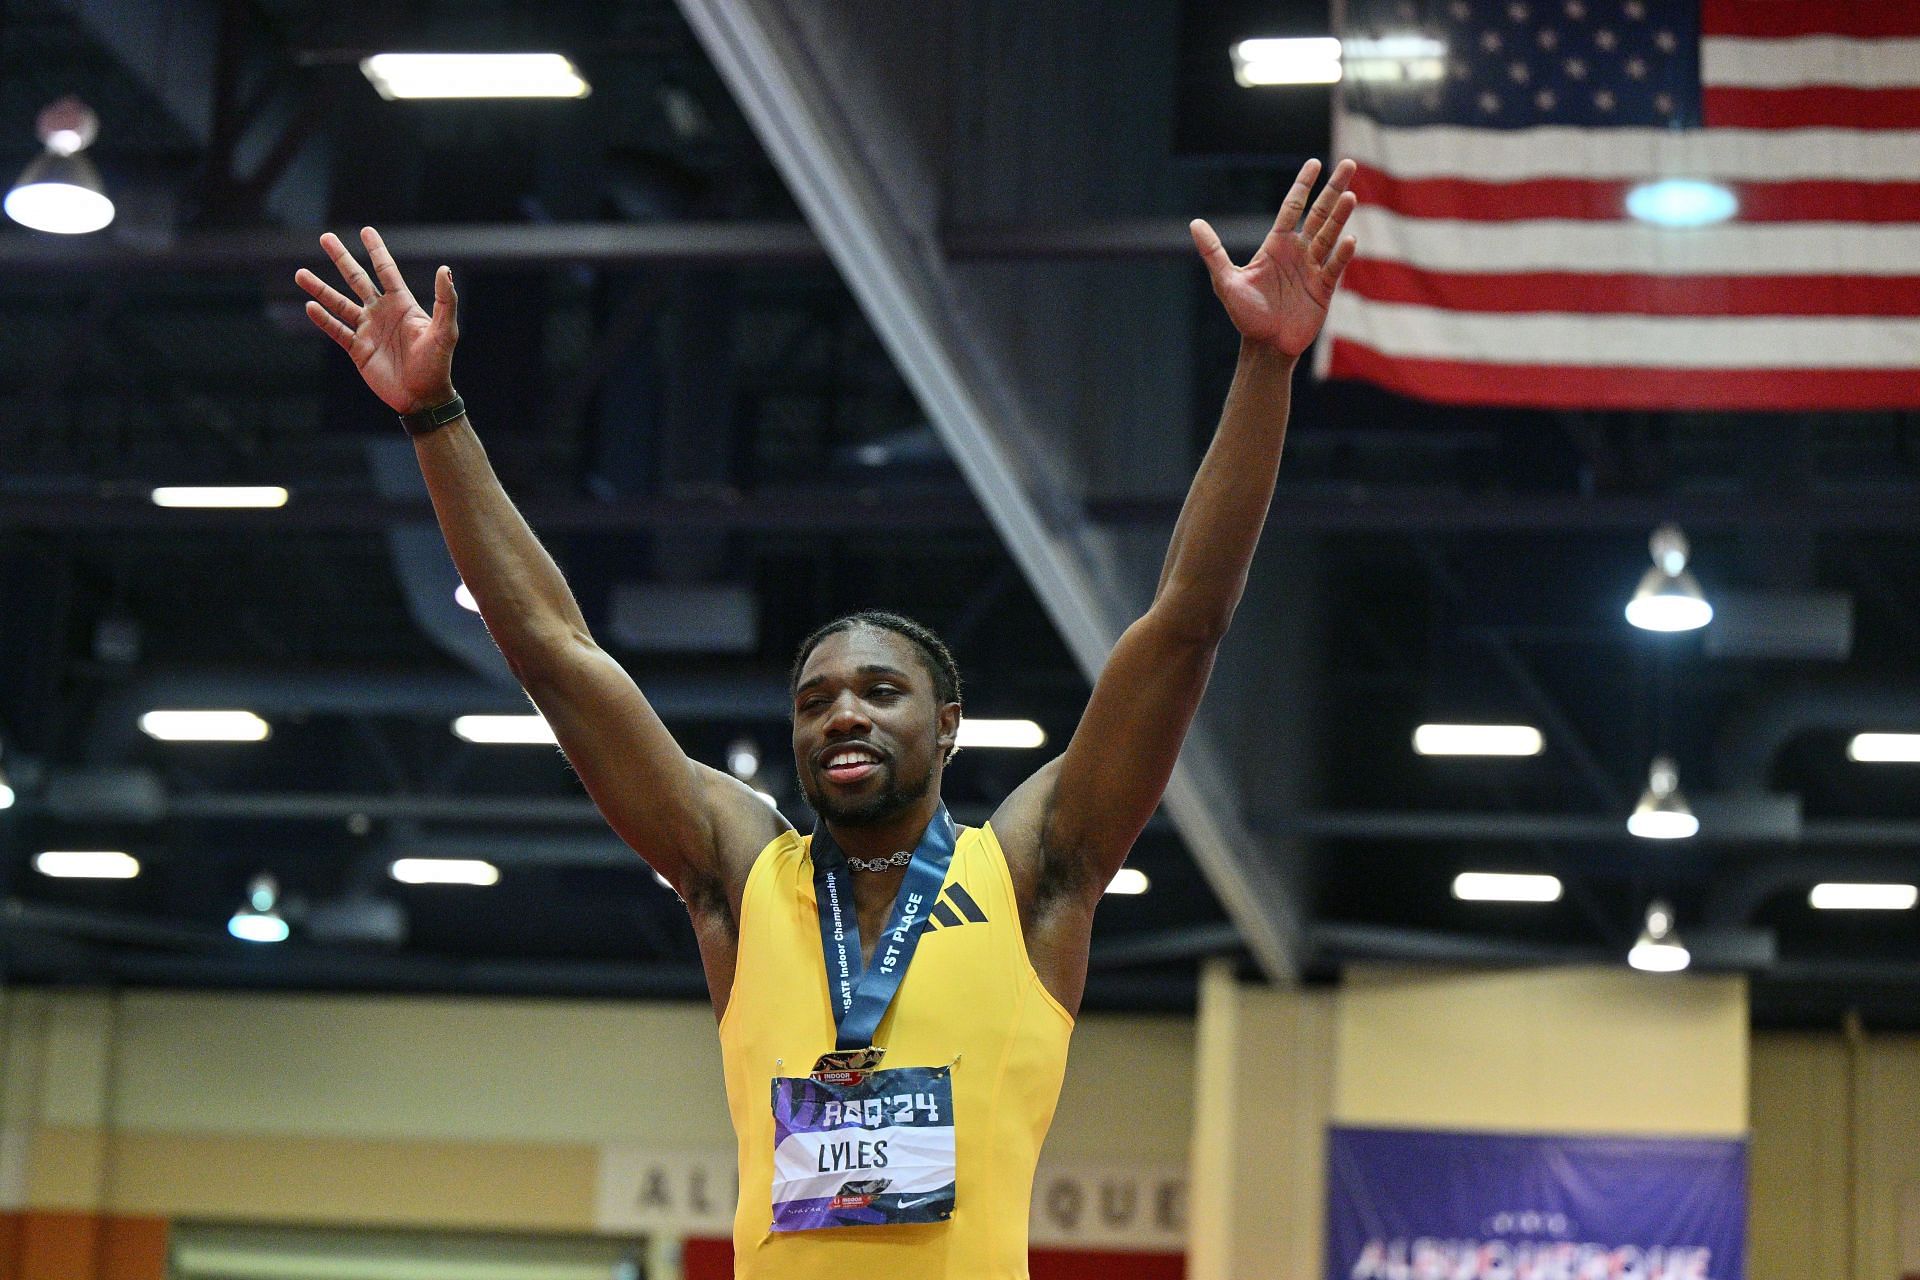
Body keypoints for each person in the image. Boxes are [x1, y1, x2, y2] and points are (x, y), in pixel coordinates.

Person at [296, 156, 1357, 1279]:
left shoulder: (1037, 870)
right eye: (814, 699)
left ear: (948, 725)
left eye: (879, 690)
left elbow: (1183, 623)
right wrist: (436, 416)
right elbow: (558, 657)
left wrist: (1264, 364)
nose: (841, 713)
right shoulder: (738, 874)